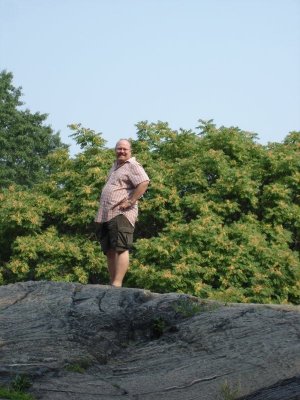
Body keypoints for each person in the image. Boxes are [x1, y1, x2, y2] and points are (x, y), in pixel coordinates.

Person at [95, 139, 150, 287]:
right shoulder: (115, 166)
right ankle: (113, 282)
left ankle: (118, 283)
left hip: (122, 213)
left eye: (125, 149)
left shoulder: (132, 165)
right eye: (119, 149)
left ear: (130, 151)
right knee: (110, 250)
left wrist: (131, 201)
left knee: (121, 247)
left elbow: (144, 182)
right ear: (115, 150)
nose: (122, 151)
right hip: (107, 214)